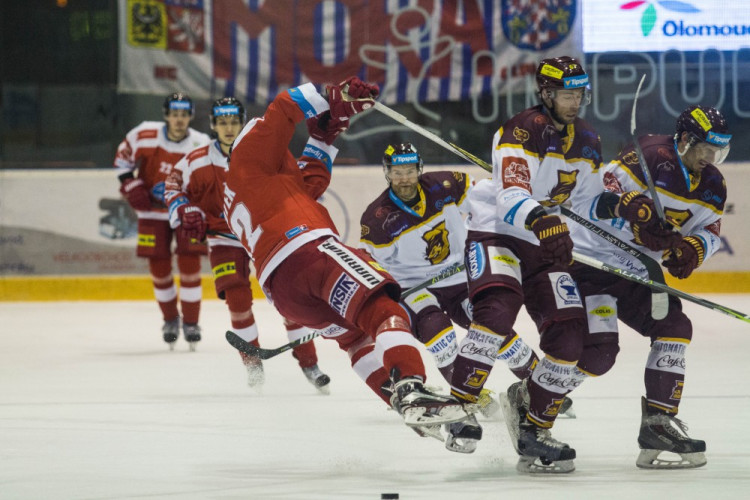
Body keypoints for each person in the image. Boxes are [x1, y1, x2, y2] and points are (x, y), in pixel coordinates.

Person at [222, 77, 472, 432]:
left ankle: (405, 405)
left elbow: (310, 182)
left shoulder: (247, 186)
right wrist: (332, 95)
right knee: (382, 307)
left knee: (356, 340)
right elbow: (283, 108)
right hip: (310, 252)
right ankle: (413, 387)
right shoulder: (250, 152)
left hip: (286, 293)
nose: (285, 151)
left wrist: (325, 134)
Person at [359, 142, 571, 453]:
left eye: (408, 171)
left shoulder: (447, 185)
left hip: (459, 277)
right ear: (386, 173)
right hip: (416, 287)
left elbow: (487, 198)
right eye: (396, 172)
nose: (403, 178)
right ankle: (471, 399)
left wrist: (506, 183)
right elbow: (372, 266)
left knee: (494, 332)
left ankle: (538, 386)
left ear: (419, 169)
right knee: (439, 336)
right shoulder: (376, 220)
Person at [450, 56, 602, 473]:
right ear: (547, 93)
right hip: (496, 231)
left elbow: (588, 204)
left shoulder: (588, 140)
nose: (575, 102)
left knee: (569, 336)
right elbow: (511, 194)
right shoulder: (520, 130)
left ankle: (535, 427)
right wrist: (543, 220)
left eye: (579, 95)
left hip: (545, 243)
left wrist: (628, 214)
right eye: (567, 94)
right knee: (497, 311)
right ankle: (461, 406)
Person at [566, 105, 731, 469]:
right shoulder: (650, 155)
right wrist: (634, 217)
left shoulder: (714, 183)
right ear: (685, 140)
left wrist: (695, 249)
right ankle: (535, 400)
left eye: (718, 151)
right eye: (705, 148)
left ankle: (658, 423)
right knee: (600, 354)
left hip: (635, 270)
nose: (710, 158)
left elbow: (711, 231)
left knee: (674, 326)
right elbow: (594, 202)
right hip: (591, 260)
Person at [164, 97, 331, 394]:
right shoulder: (195, 161)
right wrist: (183, 209)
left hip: (266, 238)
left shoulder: (262, 152)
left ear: (241, 122)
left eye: (233, 121)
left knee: (289, 301)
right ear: (213, 125)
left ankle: (309, 363)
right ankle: (252, 365)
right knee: (238, 301)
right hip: (224, 240)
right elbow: (173, 186)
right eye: (222, 122)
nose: (229, 128)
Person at [114, 93, 211, 350]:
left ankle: (191, 323)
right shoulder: (144, 134)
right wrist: (129, 182)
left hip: (186, 212)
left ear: (190, 116)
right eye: (174, 114)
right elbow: (122, 160)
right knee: (159, 269)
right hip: (152, 211)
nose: (179, 120)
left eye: (184, 114)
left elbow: (210, 178)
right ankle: (170, 319)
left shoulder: (201, 143)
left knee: (190, 265)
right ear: (166, 115)